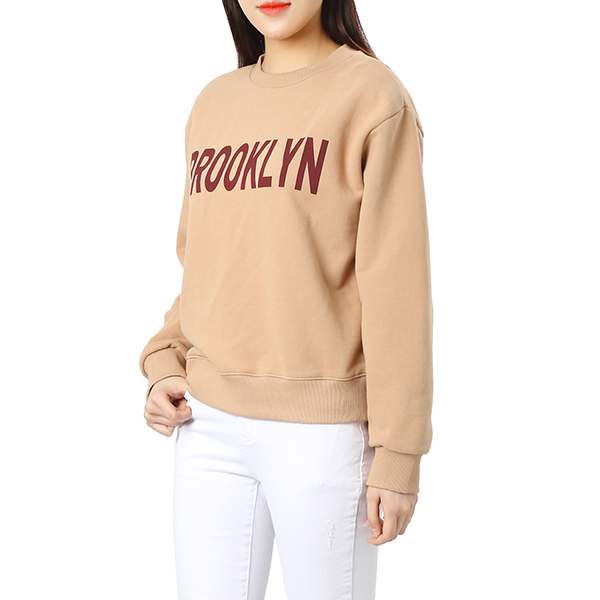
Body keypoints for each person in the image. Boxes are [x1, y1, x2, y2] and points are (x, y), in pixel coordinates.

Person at [138, 1, 434, 598]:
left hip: (323, 433)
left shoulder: (373, 97)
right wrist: (163, 362)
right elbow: (205, 264)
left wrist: (399, 451)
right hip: (206, 422)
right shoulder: (213, 104)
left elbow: (397, 287)